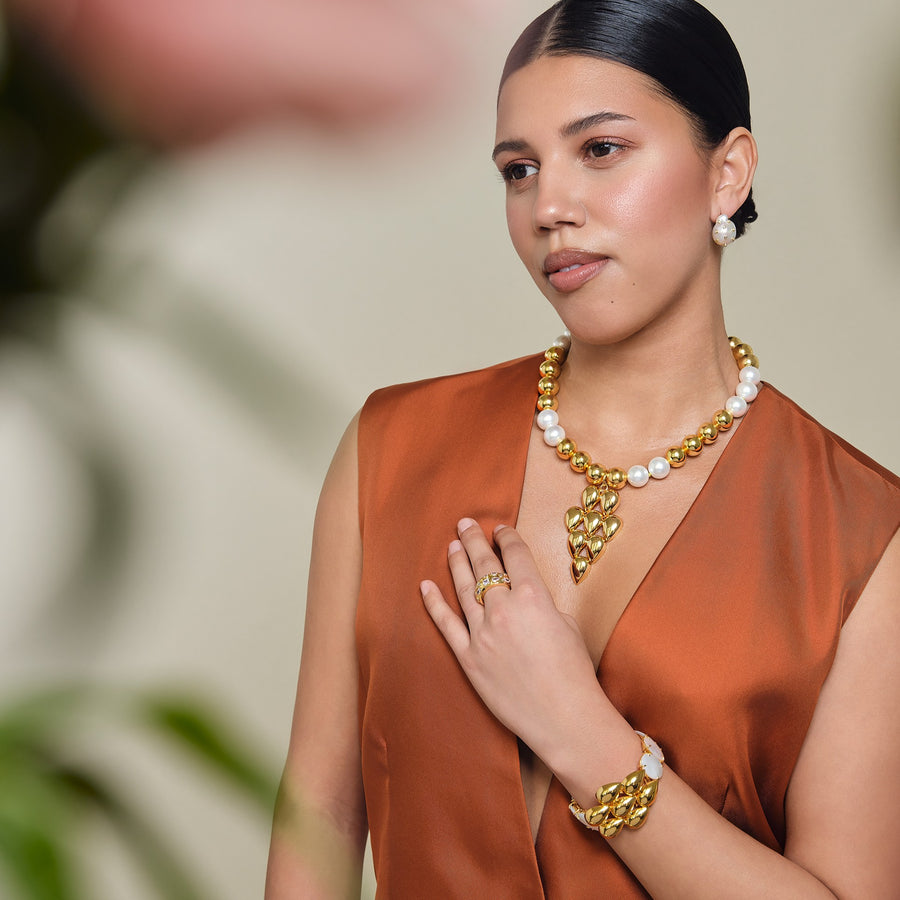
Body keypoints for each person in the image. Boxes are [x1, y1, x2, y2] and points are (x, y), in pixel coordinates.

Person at [265, 1, 900, 896]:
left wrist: (584, 738)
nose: (549, 207)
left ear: (729, 174)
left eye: (600, 149)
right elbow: (320, 814)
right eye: (518, 170)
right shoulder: (389, 449)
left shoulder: (865, 539)